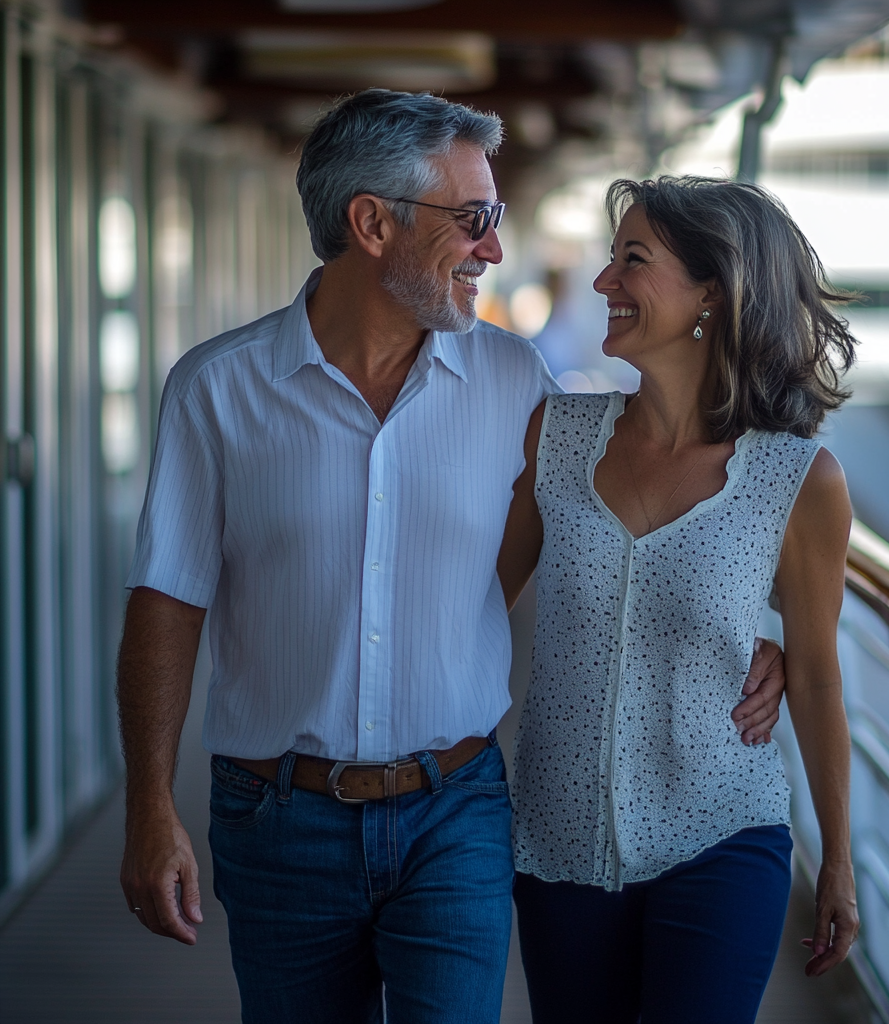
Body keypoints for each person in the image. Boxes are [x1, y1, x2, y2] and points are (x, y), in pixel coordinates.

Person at [116, 91, 785, 1024]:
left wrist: (760, 636)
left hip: (456, 811)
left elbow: (630, 523)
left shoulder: (517, 384)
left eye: (497, 220)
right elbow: (167, 600)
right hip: (276, 818)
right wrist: (150, 804)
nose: (495, 250)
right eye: (474, 221)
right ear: (372, 223)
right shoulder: (217, 391)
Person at [497, 175, 861, 1024]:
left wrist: (838, 860)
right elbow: (475, 602)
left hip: (724, 838)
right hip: (556, 844)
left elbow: (814, 680)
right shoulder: (555, 435)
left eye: (632, 261)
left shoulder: (798, 479)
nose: (602, 284)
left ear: (713, 291)